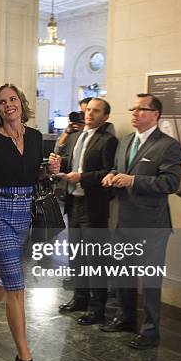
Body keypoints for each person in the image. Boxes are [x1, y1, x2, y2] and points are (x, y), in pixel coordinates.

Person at [0, 83, 60, 361]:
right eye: (2, 102)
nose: (8, 105)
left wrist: (48, 169)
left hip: (25, 212)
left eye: (13, 100)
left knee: (5, 275)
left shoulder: (36, 138)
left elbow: (33, 176)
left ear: (22, 104)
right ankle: (25, 360)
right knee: (17, 285)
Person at [100, 93, 181, 350]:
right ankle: (125, 318)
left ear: (155, 114)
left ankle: (150, 330)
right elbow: (118, 169)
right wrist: (111, 177)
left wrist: (133, 180)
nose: (134, 113)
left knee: (149, 281)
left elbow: (170, 183)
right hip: (124, 220)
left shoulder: (168, 145)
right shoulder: (125, 141)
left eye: (141, 109)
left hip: (152, 225)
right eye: (133, 109)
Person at [53, 98, 118, 325]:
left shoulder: (108, 140)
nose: (89, 114)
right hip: (74, 202)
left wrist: (82, 178)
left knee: (95, 258)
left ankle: (97, 308)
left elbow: (109, 172)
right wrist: (58, 166)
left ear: (105, 116)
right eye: (88, 110)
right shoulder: (78, 136)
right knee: (77, 256)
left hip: (94, 205)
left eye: (96, 111)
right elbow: (73, 165)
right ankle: (79, 298)